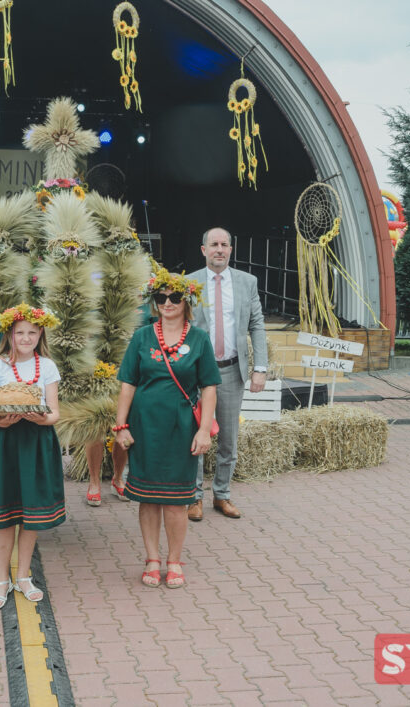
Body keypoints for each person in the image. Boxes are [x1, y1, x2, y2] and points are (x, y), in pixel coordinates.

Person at [114, 270, 219, 589]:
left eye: (174, 297)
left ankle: (174, 560)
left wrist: (203, 431)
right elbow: (127, 383)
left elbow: (210, 388)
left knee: (176, 499)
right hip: (145, 428)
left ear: (186, 300)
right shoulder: (142, 336)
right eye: (160, 298)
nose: (167, 303)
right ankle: (151, 559)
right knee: (148, 497)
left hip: (181, 428)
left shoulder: (199, 338)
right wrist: (120, 426)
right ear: (153, 302)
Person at [0, 303, 64, 610]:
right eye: (20, 333)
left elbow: (54, 411)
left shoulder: (48, 366)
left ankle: (24, 574)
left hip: (36, 442)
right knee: (4, 516)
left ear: (40, 332)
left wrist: (41, 418)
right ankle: (1, 578)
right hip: (5, 442)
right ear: (10, 334)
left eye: (32, 332)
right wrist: (0, 420)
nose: (26, 338)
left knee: (31, 515)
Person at [187, 227, 267, 521]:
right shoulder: (188, 283)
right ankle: (193, 498)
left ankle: (222, 495)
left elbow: (257, 325)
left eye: (224, 245)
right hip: (195, 374)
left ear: (231, 250)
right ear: (203, 249)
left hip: (231, 371)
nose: (219, 249)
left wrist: (260, 368)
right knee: (195, 435)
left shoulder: (247, 282)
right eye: (213, 244)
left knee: (229, 440)